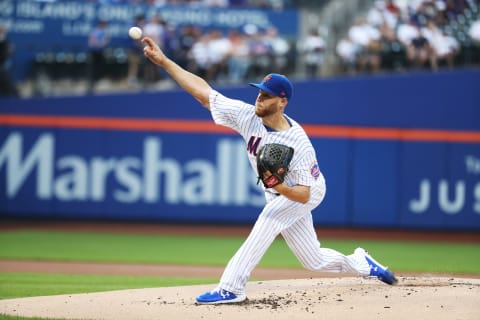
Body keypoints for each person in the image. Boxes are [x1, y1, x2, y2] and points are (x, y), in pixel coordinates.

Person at [141, 36, 398, 305]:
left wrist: (280, 187)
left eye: (266, 95)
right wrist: (165, 62)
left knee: (269, 220)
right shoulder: (248, 116)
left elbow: (303, 194)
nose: (259, 98)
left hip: (304, 191)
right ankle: (362, 263)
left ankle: (231, 287)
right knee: (314, 260)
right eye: (259, 92)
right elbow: (204, 93)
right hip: (279, 192)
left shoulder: (297, 142)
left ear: (282, 101)